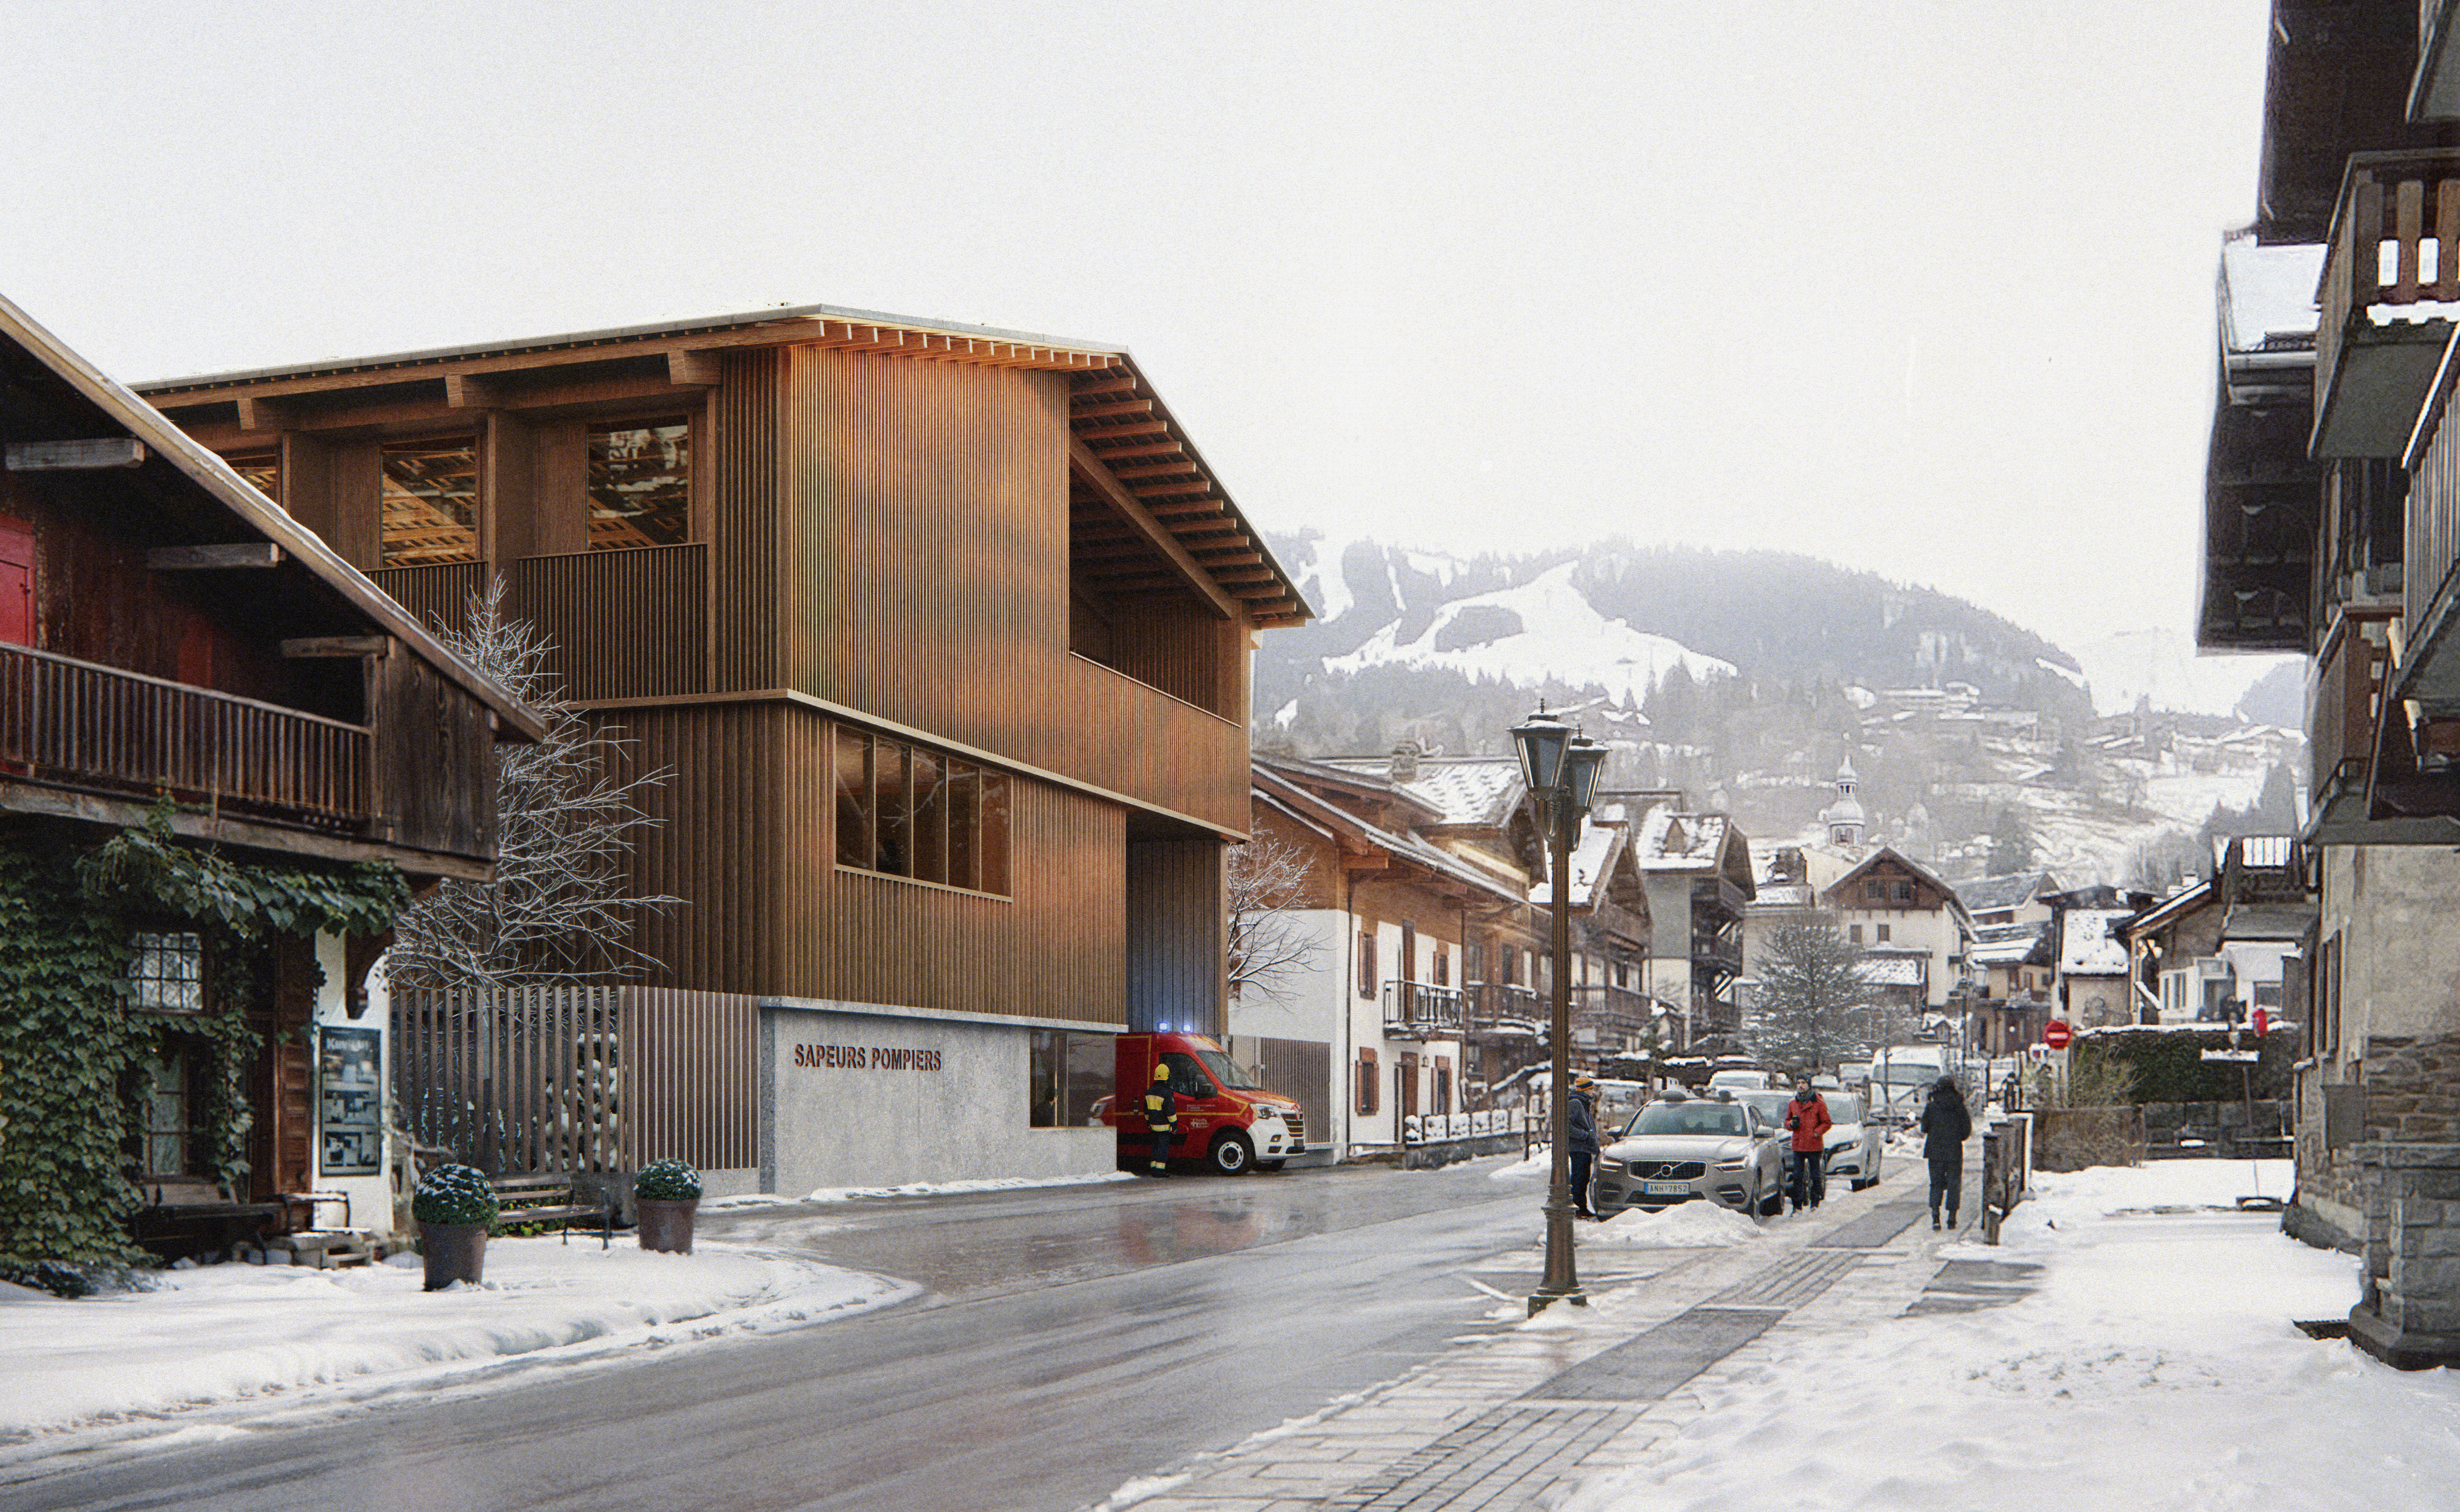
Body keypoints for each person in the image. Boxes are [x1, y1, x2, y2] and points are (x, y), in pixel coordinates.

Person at [1920, 1075, 1972, 1230]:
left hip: (1935, 1152)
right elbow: (1966, 1131)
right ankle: (1952, 1218)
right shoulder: (1959, 1106)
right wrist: (1956, 1137)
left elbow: (1924, 1128)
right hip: (1954, 1152)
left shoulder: (1931, 1107)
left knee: (1936, 1184)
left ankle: (1936, 1217)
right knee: (1954, 1184)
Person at [1783, 1077, 1831, 1213]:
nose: (1800, 1086)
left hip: (1814, 1145)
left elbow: (1827, 1123)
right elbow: (1786, 1122)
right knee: (1798, 1176)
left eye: (1803, 1083)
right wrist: (1791, 1124)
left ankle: (1815, 1203)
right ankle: (1797, 1206)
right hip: (1798, 1144)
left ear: (1809, 1085)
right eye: (1798, 1083)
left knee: (1815, 1175)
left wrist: (1816, 1133)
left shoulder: (1819, 1103)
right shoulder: (1793, 1103)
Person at [1567, 1072, 1601, 1219]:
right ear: (1584, 1090)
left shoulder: (1584, 1103)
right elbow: (1566, 1126)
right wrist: (1585, 1136)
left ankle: (1581, 1207)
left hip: (1584, 1148)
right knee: (1579, 1179)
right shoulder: (1576, 1103)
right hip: (1579, 1148)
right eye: (1591, 1089)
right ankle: (1579, 1209)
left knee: (1583, 1178)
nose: (1593, 1092)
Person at [1143, 1061, 1178, 1176]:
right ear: (1167, 1078)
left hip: (1153, 1126)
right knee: (1163, 1149)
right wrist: (1175, 1126)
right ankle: (1160, 1171)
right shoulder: (1167, 1093)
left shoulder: (1149, 1092)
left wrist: (1149, 1123)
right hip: (1164, 1128)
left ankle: (1153, 1168)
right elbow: (1171, 1113)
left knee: (1155, 1148)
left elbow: (1146, 1111)